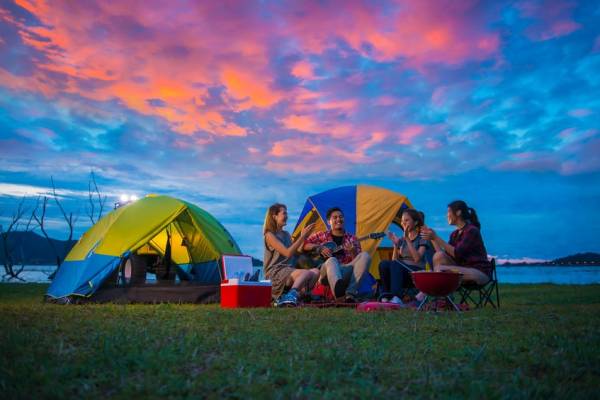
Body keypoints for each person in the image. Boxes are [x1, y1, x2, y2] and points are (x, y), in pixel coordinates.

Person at [303, 207, 371, 303]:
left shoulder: (352, 239)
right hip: (325, 272)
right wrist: (319, 248)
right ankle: (339, 297)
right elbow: (304, 244)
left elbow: (359, 266)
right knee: (332, 260)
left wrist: (352, 252)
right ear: (328, 222)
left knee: (365, 255)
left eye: (341, 217)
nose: (338, 219)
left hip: (345, 270)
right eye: (335, 217)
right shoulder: (322, 235)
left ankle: (350, 295)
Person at [420, 200, 491, 285]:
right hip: (462, 269)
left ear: (458, 212)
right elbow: (444, 255)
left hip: (479, 271)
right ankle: (439, 292)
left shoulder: (471, 231)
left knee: (440, 271)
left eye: (449, 211)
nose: (447, 215)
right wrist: (432, 238)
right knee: (438, 256)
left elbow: (457, 253)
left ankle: (433, 291)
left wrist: (436, 237)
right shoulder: (454, 234)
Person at [264, 203, 320, 307]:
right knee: (305, 273)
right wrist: (302, 237)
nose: (287, 216)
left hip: (288, 269)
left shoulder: (286, 234)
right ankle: (290, 297)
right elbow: (287, 253)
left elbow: (295, 252)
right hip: (275, 272)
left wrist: (305, 238)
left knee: (316, 271)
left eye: (287, 213)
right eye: (284, 213)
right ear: (274, 216)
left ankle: (299, 296)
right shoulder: (269, 235)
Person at [378, 209, 431, 304]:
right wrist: (395, 245)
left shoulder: (422, 238)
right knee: (384, 264)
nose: (403, 223)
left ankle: (396, 297)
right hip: (402, 272)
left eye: (407, 220)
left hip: (415, 274)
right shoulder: (402, 240)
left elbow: (417, 258)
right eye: (402, 221)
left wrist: (407, 239)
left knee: (396, 265)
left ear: (415, 222)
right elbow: (394, 261)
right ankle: (385, 296)